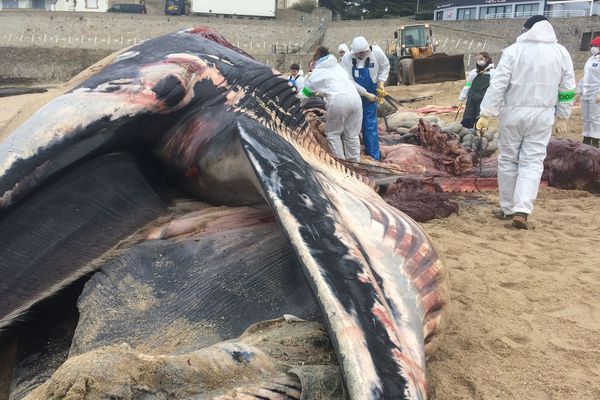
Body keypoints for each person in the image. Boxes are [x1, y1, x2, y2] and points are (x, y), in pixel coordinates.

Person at [476, 15, 575, 229]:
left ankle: (508, 208)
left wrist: (486, 114)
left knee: (509, 159)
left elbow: (498, 85)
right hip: (543, 115)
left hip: (513, 113)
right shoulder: (561, 53)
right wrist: (562, 116)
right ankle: (522, 209)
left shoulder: (513, 51)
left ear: (527, 29)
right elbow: (567, 88)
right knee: (532, 162)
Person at [301, 46, 362, 162]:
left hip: (339, 101)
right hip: (356, 99)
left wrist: (295, 103)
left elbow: (306, 93)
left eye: (314, 57)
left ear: (317, 56)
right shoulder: (337, 67)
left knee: (333, 134)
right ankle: (355, 164)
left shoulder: (318, 72)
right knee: (352, 135)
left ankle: (341, 165)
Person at [340, 36, 390, 161]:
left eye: (362, 53)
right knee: (352, 126)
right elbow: (348, 80)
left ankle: (373, 157)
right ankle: (353, 158)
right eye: (358, 53)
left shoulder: (377, 52)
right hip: (354, 95)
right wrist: (365, 93)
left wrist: (381, 83)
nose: (360, 55)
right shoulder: (347, 58)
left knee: (370, 125)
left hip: (371, 96)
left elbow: (385, 66)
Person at [459, 52, 495, 128]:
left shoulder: (492, 73)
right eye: (478, 59)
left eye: (481, 59)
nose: (479, 60)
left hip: (482, 100)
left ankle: (479, 134)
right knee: (467, 117)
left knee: (479, 120)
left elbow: (494, 88)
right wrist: (462, 97)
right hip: (471, 99)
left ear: (487, 59)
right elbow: (468, 85)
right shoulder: (473, 72)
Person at [578, 36, 600, 148]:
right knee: (586, 117)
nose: (594, 48)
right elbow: (586, 76)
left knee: (595, 118)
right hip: (587, 92)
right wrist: (580, 89)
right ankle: (586, 138)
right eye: (593, 46)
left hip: (596, 93)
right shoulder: (590, 59)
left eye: (596, 46)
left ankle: (595, 141)